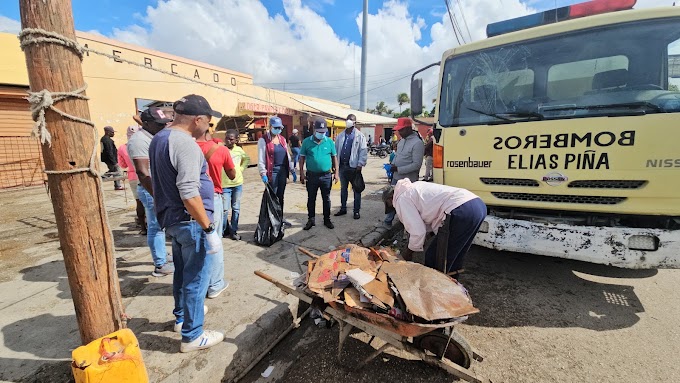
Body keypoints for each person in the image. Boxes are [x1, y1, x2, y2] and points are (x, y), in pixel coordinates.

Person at [148, 94, 224, 352]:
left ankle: (181, 319)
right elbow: (189, 192)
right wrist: (209, 228)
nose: (209, 126)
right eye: (209, 120)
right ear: (198, 119)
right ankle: (193, 336)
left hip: (173, 220)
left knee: (182, 273)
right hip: (190, 221)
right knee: (196, 279)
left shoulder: (160, 138)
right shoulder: (186, 144)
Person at [383, 179, 486, 276]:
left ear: (391, 198)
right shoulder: (414, 187)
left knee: (435, 257)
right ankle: (451, 287)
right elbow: (429, 216)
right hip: (477, 205)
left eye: (389, 204)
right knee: (454, 256)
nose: (392, 207)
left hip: (461, 209)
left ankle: (436, 290)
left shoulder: (401, 198)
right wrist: (429, 235)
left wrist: (408, 253)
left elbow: (418, 231)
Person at [128, 107, 174, 277]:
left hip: (159, 188)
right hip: (150, 190)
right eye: (158, 124)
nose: (162, 127)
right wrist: (157, 195)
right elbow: (142, 172)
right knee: (155, 227)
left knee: (161, 226)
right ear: (146, 123)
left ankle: (162, 254)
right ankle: (160, 264)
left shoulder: (152, 136)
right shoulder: (139, 141)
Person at [196, 131, 236, 299]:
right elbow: (232, 175)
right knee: (214, 241)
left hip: (190, 198)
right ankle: (215, 284)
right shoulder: (220, 149)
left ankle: (199, 284)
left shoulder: (185, 146)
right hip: (213, 197)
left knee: (196, 243)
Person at [381, 117, 425, 228]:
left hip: (408, 180)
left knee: (406, 204)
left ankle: (408, 226)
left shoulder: (417, 143)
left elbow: (416, 165)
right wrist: (392, 165)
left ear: (408, 128)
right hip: (396, 177)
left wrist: (398, 169)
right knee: (391, 200)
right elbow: (398, 156)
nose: (399, 132)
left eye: (401, 130)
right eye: (398, 130)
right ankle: (388, 221)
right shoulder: (401, 141)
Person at [299, 118, 338, 230]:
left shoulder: (329, 142)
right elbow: (301, 159)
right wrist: (301, 173)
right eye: (320, 131)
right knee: (311, 198)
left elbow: (334, 157)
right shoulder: (306, 142)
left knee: (326, 198)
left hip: (326, 176)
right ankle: (311, 220)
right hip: (311, 176)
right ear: (314, 130)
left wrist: (336, 173)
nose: (322, 134)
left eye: (323, 132)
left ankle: (327, 220)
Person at [257, 116, 294, 225]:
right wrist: (263, 173)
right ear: (270, 127)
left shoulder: (282, 139)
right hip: (272, 172)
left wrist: (291, 169)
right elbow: (261, 158)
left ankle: (280, 218)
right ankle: (271, 220)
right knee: (273, 197)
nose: (278, 129)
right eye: (276, 127)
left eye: (280, 127)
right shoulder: (263, 140)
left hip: (283, 171)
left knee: (280, 196)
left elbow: (287, 155)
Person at [334, 114, 368, 220]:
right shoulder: (340, 135)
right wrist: (335, 165)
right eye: (347, 119)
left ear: (355, 122)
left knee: (356, 189)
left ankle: (356, 211)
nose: (349, 121)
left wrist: (360, 164)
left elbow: (363, 151)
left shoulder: (359, 135)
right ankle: (343, 208)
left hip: (354, 167)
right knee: (343, 188)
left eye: (351, 120)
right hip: (342, 167)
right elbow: (336, 149)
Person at [222, 129, 250, 241]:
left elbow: (246, 159)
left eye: (231, 139)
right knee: (224, 210)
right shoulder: (221, 150)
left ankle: (234, 231)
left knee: (236, 208)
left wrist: (241, 169)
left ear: (236, 140)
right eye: (227, 138)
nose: (228, 141)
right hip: (224, 184)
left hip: (237, 183)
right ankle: (224, 230)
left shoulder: (239, 150)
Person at [117, 125, 146, 233]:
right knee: (151, 201)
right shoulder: (144, 144)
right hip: (146, 174)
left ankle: (143, 227)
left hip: (132, 176)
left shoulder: (122, 148)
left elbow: (122, 165)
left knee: (139, 202)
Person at [101, 126, 123, 190]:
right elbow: (109, 152)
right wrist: (114, 162)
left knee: (113, 170)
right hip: (110, 159)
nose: (113, 134)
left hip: (108, 159)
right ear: (107, 132)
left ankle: (101, 178)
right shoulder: (107, 140)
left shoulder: (104, 139)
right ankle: (117, 186)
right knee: (117, 171)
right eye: (112, 132)